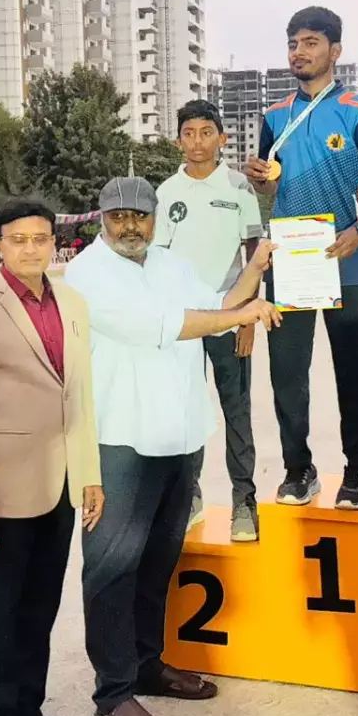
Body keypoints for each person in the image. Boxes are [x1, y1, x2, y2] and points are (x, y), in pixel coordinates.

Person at [66, 177, 279, 716]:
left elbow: (215, 303)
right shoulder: (86, 273)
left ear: (156, 218)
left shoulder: (169, 264)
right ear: (101, 218)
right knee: (111, 569)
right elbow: (164, 328)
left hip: (180, 438)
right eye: (118, 217)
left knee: (157, 564)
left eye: (140, 215)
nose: (130, 226)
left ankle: (146, 667)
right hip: (121, 441)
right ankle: (112, 695)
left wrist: (256, 268)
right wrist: (241, 317)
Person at [0, 197, 104, 716]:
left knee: (39, 612)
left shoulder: (73, 302)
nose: (31, 248)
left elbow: (79, 396)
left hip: (57, 486)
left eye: (40, 238)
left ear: (54, 242)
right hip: (2, 494)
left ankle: (28, 714)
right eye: (19, 239)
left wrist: (89, 475)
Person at [243, 6, 358, 511]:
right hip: (293, 258)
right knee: (287, 373)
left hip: (348, 256)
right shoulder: (273, 116)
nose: (299, 52)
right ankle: (298, 469)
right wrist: (257, 178)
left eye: (310, 42)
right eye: (293, 43)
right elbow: (269, 184)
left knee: (352, 371)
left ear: (334, 50)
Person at [155, 99, 264, 541]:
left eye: (206, 132)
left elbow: (254, 255)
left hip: (228, 315)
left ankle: (244, 501)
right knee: (186, 412)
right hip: (183, 323)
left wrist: (247, 319)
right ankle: (190, 497)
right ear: (178, 140)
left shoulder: (239, 187)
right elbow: (157, 261)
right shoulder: (165, 193)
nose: (197, 142)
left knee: (236, 410)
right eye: (188, 133)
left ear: (222, 138)